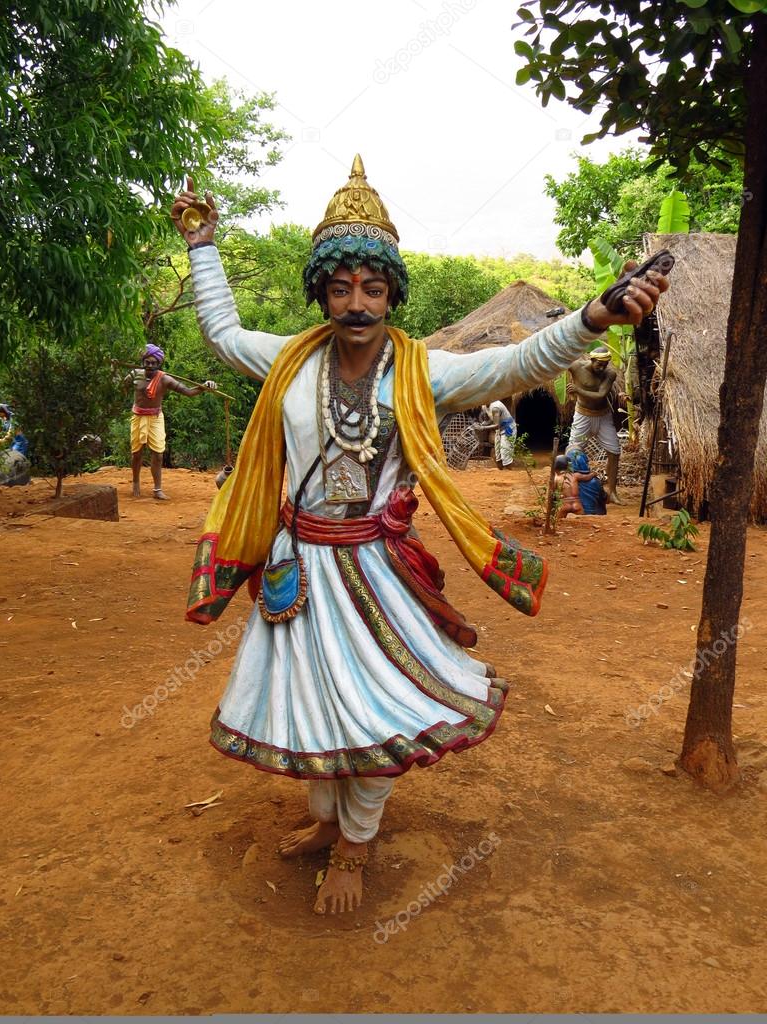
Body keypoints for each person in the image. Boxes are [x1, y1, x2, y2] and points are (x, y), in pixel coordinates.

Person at [171, 157, 667, 915]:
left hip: (373, 570)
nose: (357, 304)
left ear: (392, 292)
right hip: (295, 568)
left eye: (373, 288)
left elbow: (516, 361)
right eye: (341, 288)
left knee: (376, 706)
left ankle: (355, 847)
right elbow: (219, 331)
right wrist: (203, 244)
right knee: (309, 696)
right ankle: (325, 820)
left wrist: (594, 316)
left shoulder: (420, 372)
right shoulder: (288, 361)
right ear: (322, 291)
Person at [123, 345, 217, 500]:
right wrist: (116, 375)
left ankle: (157, 489)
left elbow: (188, 392)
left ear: (159, 363)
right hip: (137, 417)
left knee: (158, 454)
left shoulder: (165, 379)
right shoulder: (135, 374)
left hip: (155, 418)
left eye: (154, 363)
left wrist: (204, 387)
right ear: (143, 361)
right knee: (136, 453)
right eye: (148, 362)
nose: (151, 366)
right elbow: (121, 387)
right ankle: (135, 481)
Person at [567, 346, 622, 503]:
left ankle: (611, 491)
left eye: (605, 364)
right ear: (591, 360)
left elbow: (600, 395)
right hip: (582, 415)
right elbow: (557, 362)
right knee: (573, 453)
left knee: (614, 452)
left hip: (603, 416)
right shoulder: (577, 367)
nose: (602, 368)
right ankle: (570, 490)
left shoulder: (609, 374)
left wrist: (578, 390)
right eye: (599, 364)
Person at [475, 399, 517, 468]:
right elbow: (488, 421)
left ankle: (510, 473)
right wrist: (481, 425)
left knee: (505, 453)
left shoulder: (495, 407)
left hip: (508, 428)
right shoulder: (484, 406)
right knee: (498, 457)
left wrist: (482, 428)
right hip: (499, 429)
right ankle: (501, 474)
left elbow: (496, 425)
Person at [567, 447, 607, 516]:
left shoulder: (565, 481)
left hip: (575, 513)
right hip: (595, 513)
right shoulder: (595, 481)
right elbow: (605, 498)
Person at [0, 404, 31, 487]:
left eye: (0, 413)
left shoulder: (13, 419)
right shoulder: (4, 419)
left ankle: (24, 481)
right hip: (13, 443)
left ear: (3, 412)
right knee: (12, 461)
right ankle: (16, 481)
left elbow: (10, 434)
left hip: (20, 442)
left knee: (18, 462)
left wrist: (1, 441)